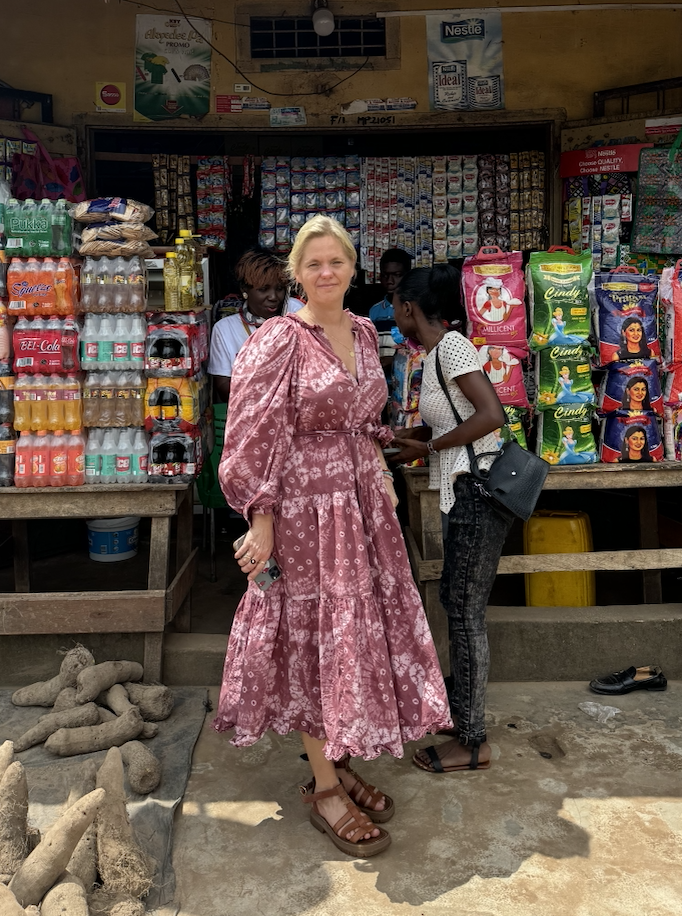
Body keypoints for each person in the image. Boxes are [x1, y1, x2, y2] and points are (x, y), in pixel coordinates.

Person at [214, 216, 451, 858]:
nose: (325, 273)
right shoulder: (278, 340)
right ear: (298, 272)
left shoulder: (368, 330)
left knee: (353, 633)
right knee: (316, 638)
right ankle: (323, 788)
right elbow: (251, 432)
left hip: (362, 504)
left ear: (353, 269)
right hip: (303, 512)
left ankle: (338, 761)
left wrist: (380, 450)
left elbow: (360, 414)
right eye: (313, 264)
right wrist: (260, 516)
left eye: (336, 262)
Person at [388, 264, 512, 774]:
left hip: (478, 493)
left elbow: (491, 415)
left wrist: (431, 446)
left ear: (410, 308)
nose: (394, 315)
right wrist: (401, 444)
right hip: (461, 491)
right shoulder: (433, 355)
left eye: (396, 305)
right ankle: (460, 713)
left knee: (465, 615)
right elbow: (442, 422)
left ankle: (473, 740)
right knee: (454, 602)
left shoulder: (454, 347)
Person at [208, 248, 304, 405]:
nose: (273, 297)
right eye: (263, 289)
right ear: (245, 289)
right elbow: (224, 387)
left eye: (279, 289)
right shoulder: (225, 329)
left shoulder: (296, 313)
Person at [368, 248, 412, 374]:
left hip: (407, 379)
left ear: (407, 276)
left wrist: (394, 361)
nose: (390, 281)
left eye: (397, 275)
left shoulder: (414, 309)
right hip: (383, 380)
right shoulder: (375, 312)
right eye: (385, 275)